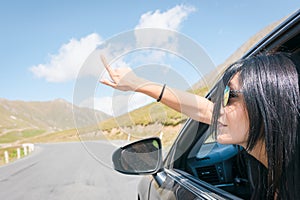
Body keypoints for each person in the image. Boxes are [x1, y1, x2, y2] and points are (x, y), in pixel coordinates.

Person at [100, 52, 300, 199]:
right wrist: (137, 83)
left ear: (268, 105)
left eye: (229, 96)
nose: (218, 107)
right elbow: (201, 109)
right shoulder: (274, 171)